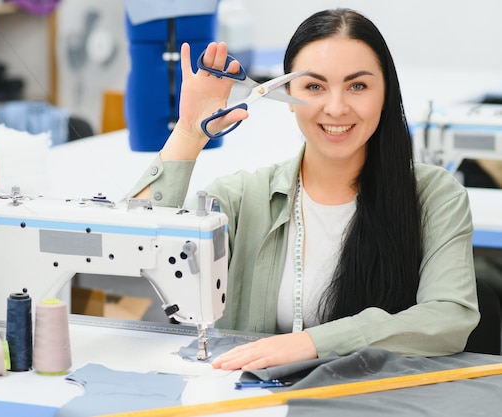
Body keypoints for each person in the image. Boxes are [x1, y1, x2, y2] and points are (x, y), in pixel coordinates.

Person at [126, 8, 479, 370]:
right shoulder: (241, 198)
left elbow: (449, 318)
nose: (337, 107)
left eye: (358, 85)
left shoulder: (435, 196)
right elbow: (130, 252)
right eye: (314, 86)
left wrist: (313, 342)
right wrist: (187, 135)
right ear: (288, 96)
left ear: (386, 93)